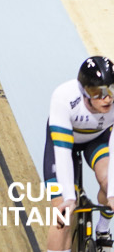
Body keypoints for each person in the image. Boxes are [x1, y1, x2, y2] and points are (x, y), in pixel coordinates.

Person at [45, 55, 114, 251]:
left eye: (111, 89)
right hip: (63, 142)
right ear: (83, 91)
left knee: (109, 181)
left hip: (97, 139)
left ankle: (102, 230)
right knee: (63, 218)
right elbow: (63, 152)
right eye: (97, 92)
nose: (107, 97)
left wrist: (112, 192)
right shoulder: (63, 97)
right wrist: (68, 198)